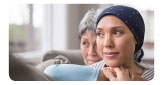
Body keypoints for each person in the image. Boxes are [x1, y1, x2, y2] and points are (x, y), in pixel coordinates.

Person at [90, 5, 154, 80]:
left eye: (117, 32)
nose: (106, 44)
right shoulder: (86, 74)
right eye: (100, 34)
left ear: (136, 38)